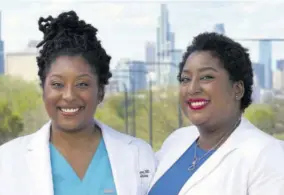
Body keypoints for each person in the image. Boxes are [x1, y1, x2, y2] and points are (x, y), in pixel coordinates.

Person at [0, 11, 156, 195]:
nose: (69, 95)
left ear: (100, 91)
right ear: (43, 90)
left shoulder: (139, 155)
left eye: (82, 84)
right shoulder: (7, 160)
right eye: (57, 84)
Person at [148, 32, 284, 195]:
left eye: (206, 77)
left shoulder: (267, 155)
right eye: (185, 79)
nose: (192, 89)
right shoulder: (176, 141)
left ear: (237, 89)